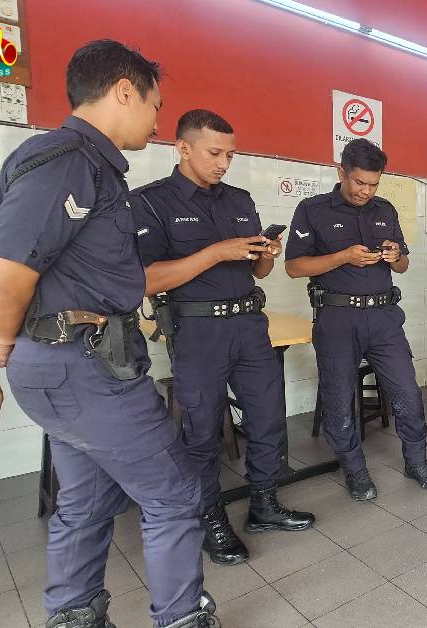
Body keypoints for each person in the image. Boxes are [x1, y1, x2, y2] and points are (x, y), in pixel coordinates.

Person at [0, 41, 218, 628]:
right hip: (85, 370)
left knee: (86, 499)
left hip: (63, 368)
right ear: (125, 89)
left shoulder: (66, 163)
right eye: (156, 104)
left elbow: (6, 266)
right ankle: (182, 618)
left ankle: (74, 614)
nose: (156, 118)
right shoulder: (71, 161)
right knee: (174, 493)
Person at [132, 109, 315, 567]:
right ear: (183, 148)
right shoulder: (151, 203)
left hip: (249, 326)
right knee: (202, 432)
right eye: (215, 152)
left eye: (229, 154)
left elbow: (257, 269)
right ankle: (211, 519)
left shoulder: (239, 199)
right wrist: (217, 252)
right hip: (197, 332)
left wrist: (266, 253)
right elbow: (147, 280)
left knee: (269, 419)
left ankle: (264, 504)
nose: (223, 163)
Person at [284, 139, 427, 500]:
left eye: (373, 184)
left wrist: (395, 254)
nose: (365, 191)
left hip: (384, 318)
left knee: (407, 392)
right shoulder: (313, 210)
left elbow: (403, 264)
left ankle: (416, 460)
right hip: (337, 318)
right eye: (359, 183)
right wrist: (342, 257)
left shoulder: (384, 210)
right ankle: (354, 468)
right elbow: (294, 267)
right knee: (339, 399)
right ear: (341, 172)